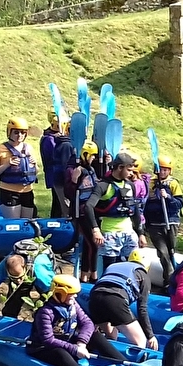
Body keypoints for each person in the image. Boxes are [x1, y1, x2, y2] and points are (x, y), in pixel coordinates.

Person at [26, 275, 127, 366]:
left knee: (95, 335)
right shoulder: (45, 312)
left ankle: (123, 362)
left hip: (67, 341)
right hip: (43, 348)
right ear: (60, 293)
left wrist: (82, 343)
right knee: (60, 353)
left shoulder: (73, 305)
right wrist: (75, 349)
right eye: (71, 294)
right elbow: (48, 340)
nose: (75, 296)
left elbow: (87, 322)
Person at [88, 249, 158, 350]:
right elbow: (142, 309)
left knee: (111, 337)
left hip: (94, 297)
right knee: (141, 342)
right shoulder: (144, 276)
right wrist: (150, 336)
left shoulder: (113, 266)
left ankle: (105, 356)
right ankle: (134, 364)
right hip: (115, 299)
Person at [91, 152, 147, 269]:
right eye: (129, 170)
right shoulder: (103, 185)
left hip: (129, 233)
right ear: (120, 167)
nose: (132, 173)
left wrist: (141, 234)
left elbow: (135, 209)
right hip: (110, 234)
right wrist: (95, 230)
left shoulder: (130, 185)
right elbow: (88, 206)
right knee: (110, 269)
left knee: (131, 267)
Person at [143, 156, 183, 284]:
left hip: (170, 221)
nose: (163, 172)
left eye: (166, 170)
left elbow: (179, 204)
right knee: (162, 252)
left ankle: (175, 278)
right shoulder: (151, 183)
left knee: (170, 250)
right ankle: (169, 279)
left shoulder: (173, 183)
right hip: (154, 223)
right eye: (161, 169)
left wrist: (167, 197)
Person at [0, 118, 39, 218]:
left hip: (27, 191)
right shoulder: (0, 149)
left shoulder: (28, 148)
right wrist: (6, 165)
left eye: (23, 132)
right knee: (14, 225)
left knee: (26, 225)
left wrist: (35, 165)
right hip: (9, 192)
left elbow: (36, 171)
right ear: (9, 132)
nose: (19, 135)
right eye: (16, 132)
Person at [71, 142, 101, 281]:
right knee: (91, 244)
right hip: (81, 212)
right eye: (92, 155)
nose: (93, 158)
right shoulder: (78, 170)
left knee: (92, 245)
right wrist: (73, 180)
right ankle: (88, 276)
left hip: (91, 211)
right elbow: (69, 191)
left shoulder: (91, 171)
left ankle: (88, 274)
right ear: (85, 155)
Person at [47, 120, 76, 219]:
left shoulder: (67, 144)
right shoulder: (66, 145)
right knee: (67, 210)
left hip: (61, 181)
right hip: (62, 182)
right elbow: (66, 167)